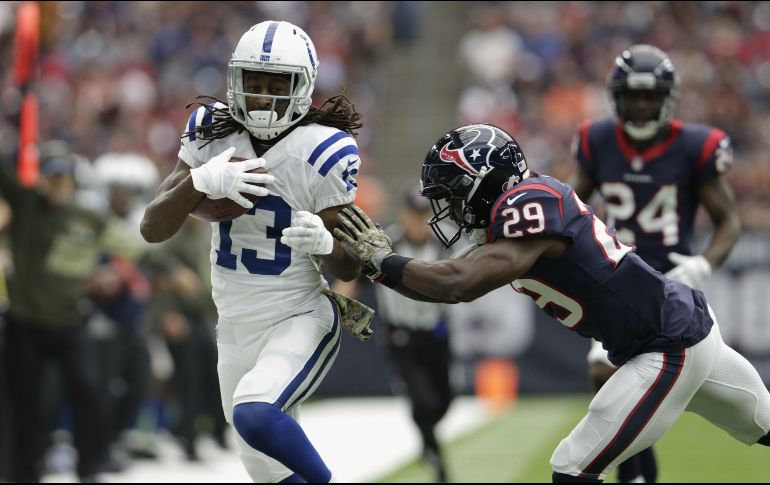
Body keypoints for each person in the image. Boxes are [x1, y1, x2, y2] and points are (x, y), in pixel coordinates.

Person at [333, 123, 770, 483]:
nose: (447, 207)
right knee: (763, 425)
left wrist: (382, 259)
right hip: (680, 327)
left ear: (484, 184)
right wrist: (376, 269)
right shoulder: (515, 212)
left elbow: (459, 283)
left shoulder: (528, 204)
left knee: (572, 465)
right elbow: (441, 282)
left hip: (665, 345)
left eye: (452, 192)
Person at [140, 20, 370, 483]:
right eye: (253, 83)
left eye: (276, 84)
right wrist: (199, 181)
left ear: (302, 86)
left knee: (257, 413)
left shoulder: (323, 150)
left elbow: (348, 266)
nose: (263, 96)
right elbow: (153, 227)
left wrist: (326, 244)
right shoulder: (210, 131)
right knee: (269, 472)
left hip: (297, 314)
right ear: (234, 82)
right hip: (233, 323)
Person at [569, 44, 742, 483]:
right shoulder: (597, 139)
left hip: (672, 282)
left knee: (736, 403)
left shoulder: (695, 146)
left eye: (649, 96)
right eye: (633, 96)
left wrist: (702, 264)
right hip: (616, 274)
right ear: (616, 96)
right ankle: (637, 474)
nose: (642, 106)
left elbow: (728, 222)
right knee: (602, 369)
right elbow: (571, 207)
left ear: (666, 98)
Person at [0, 142, 111, 482]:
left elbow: (122, 242)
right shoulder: (26, 205)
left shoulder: (87, 214)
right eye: (53, 176)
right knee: (27, 407)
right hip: (26, 325)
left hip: (69, 322)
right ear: (40, 179)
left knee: (90, 392)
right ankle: (24, 474)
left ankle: (89, 467)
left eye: (65, 176)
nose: (60, 183)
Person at [374, 183, 452, 482]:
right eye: (414, 214)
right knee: (423, 400)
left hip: (437, 330)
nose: (419, 220)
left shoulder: (444, 241)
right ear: (404, 214)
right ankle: (437, 459)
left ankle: (425, 436)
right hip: (401, 333)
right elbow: (359, 271)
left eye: (423, 214)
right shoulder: (387, 242)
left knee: (445, 399)